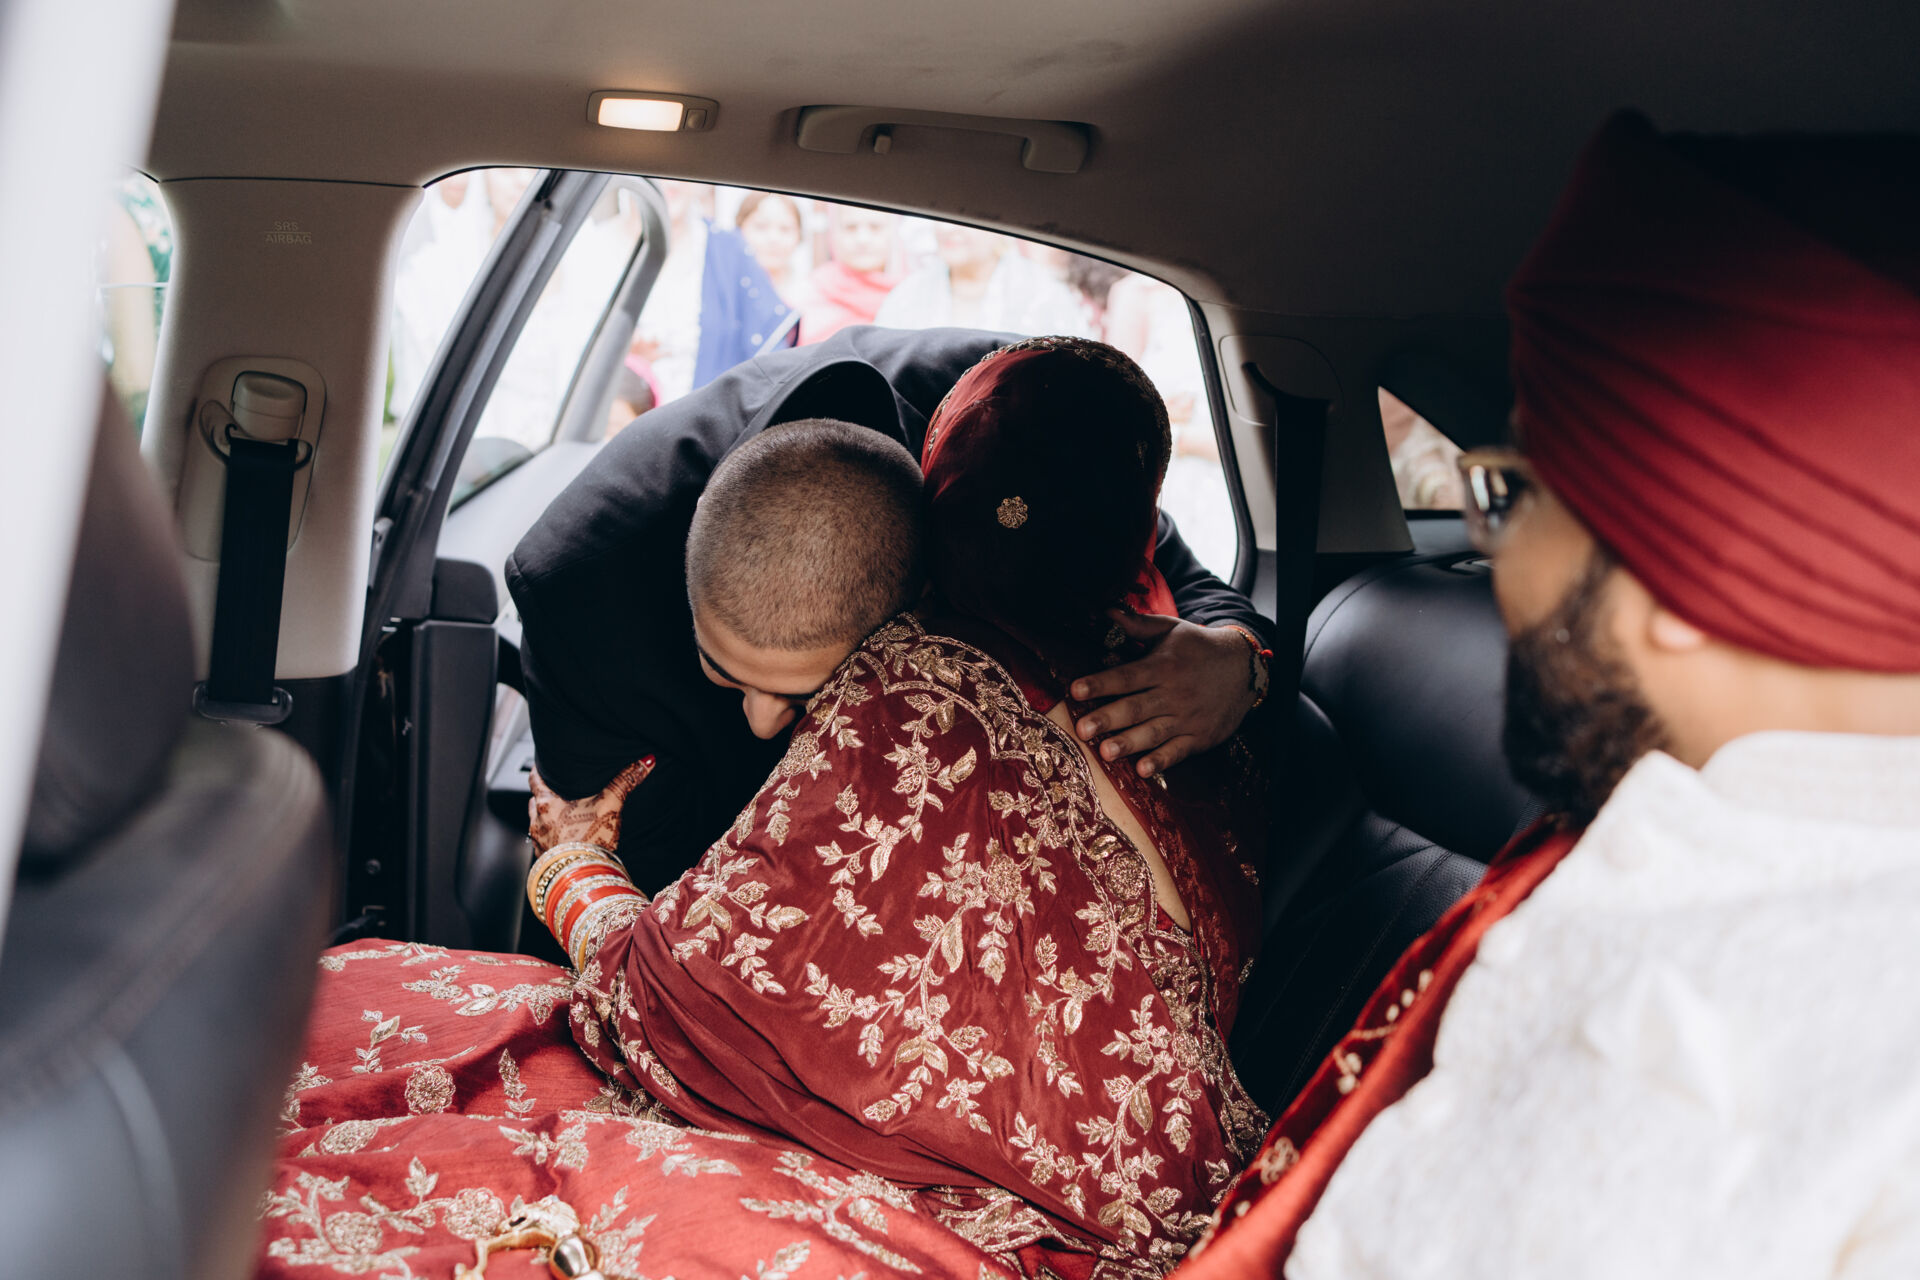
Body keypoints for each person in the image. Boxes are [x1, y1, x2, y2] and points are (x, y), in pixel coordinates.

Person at [1175, 111, 1920, 1278]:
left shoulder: (1736, 1031)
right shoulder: (1704, 849)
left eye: (1510, 495)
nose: (1491, 562)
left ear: (1682, 561)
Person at [536, 337, 1269, 1277]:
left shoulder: (905, 697)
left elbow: (674, 1001)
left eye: (799, 693)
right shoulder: (1222, 739)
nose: (766, 724)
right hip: (1217, 1203)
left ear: (933, 503)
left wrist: (571, 865)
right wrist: (1246, 669)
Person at [505, 325, 1275, 894]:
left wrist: (1240, 659)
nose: (763, 722)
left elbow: (1178, 577)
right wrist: (576, 872)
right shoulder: (581, 601)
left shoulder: (1018, 431)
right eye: (724, 671)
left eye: (808, 693)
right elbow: (675, 920)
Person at [875, 225, 1091, 337]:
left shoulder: (1043, 293)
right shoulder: (909, 293)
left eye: (961, 215)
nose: (947, 228)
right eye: (941, 214)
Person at [798, 205, 900, 344]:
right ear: (834, 233)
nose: (862, 239)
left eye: (875, 227)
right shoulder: (811, 292)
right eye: (851, 227)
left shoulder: (909, 295)